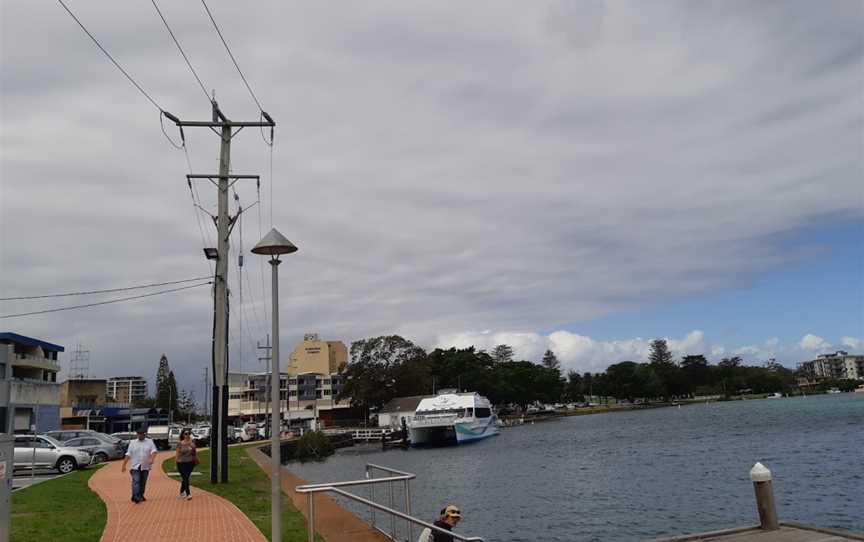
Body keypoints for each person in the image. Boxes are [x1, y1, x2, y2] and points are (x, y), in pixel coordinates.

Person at [121, 426, 158, 503]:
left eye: (142, 434)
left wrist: (152, 459)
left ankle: (141, 495)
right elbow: (128, 454)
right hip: (135, 466)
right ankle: (135, 496)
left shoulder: (149, 442)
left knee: (143, 482)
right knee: (136, 481)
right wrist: (124, 465)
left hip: (145, 466)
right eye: (139, 434)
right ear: (137, 435)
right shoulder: (132, 443)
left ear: (145, 434)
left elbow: (154, 451)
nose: (140, 435)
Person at [174, 428, 198, 500]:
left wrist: (192, 447)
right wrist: (175, 464)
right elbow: (177, 454)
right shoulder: (180, 443)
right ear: (183, 435)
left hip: (190, 463)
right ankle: (188, 494)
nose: (187, 435)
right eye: (186, 434)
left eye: (189, 434)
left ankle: (181, 491)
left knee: (186, 478)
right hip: (181, 463)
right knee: (185, 477)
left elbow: (194, 453)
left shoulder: (192, 443)